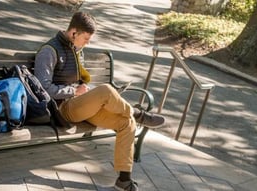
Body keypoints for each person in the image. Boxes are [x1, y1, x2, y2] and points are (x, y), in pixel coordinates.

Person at [34, 11, 164, 191]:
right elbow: (42, 88)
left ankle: (124, 181)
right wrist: (73, 90)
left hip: (81, 106)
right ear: (74, 33)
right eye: (86, 38)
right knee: (106, 91)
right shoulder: (49, 51)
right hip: (62, 109)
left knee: (126, 122)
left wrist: (86, 89)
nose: (88, 43)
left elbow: (80, 80)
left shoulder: (76, 49)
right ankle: (138, 112)